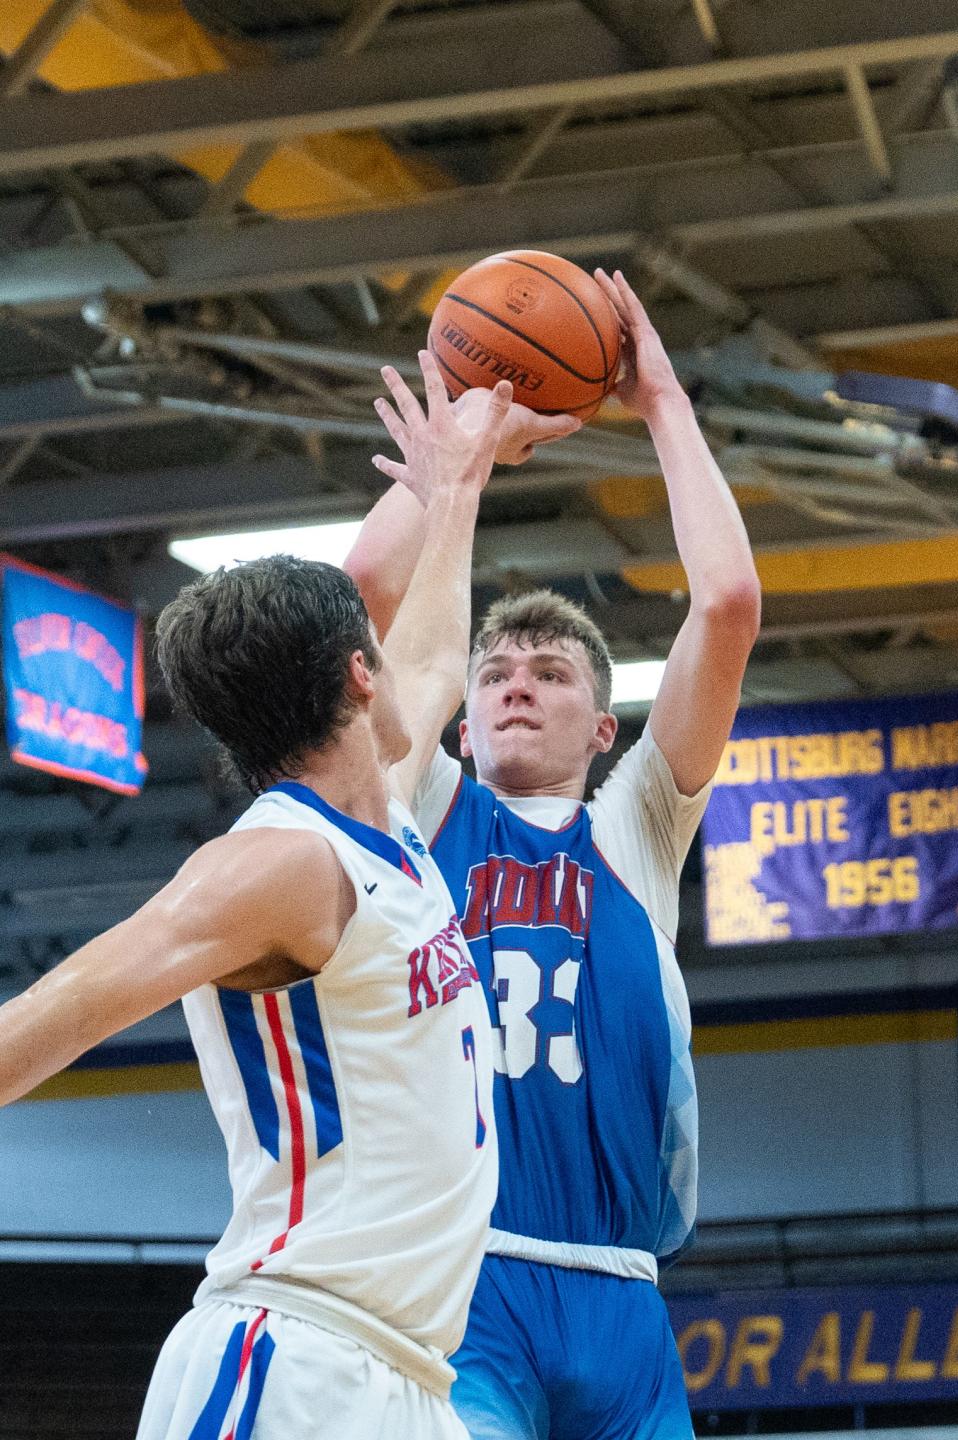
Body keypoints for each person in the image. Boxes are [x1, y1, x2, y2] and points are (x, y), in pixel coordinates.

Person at [0, 356, 515, 1440]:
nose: (396, 654)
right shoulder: (276, 864)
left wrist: (455, 485)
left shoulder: (387, 820)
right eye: (375, 646)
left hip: (410, 1379)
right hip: (293, 1366)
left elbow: (437, 663)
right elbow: (57, 1015)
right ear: (355, 675)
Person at [344, 271, 762, 1439]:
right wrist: (447, 474)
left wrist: (662, 400)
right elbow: (344, 619)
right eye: (494, 675)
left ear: (606, 728)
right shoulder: (425, 805)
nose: (518, 683)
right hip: (466, 1287)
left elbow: (726, 600)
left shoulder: (636, 828)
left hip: (623, 1301)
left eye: (554, 674)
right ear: (461, 722)